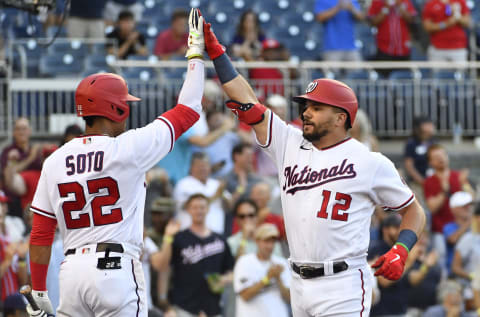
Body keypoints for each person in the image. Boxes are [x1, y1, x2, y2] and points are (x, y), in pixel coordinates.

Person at [201, 18, 425, 316]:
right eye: (306, 106)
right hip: (298, 283)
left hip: (343, 283)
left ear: (340, 117)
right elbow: (247, 101)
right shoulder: (290, 143)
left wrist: (401, 249)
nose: (306, 112)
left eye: (316, 108)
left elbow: (413, 210)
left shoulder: (369, 161)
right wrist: (217, 53)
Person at [26, 9, 206, 317]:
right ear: (116, 108)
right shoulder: (128, 147)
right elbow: (188, 109)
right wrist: (195, 53)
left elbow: (41, 231)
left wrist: (40, 289)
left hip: (71, 273)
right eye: (125, 102)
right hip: (115, 268)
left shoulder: (54, 159)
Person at [157, 193, 234, 317]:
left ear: (208, 209)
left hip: (213, 308)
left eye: (202, 207)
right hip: (184, 307)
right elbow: (163, 267)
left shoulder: (220, 239)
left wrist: (224, 279)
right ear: (188, 210)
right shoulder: (179, 238)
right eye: (195, 207)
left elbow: (231, 271)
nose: (199, 211)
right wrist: (164, 302)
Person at [234, 223, 291, 317]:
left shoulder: (281, 262)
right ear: (257, 241)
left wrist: (278, 279)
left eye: (273, 241)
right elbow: (245, 296)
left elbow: (289, 299)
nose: (270, 246)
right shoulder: (244, 262)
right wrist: (267, 278)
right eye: (266, 241)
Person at [173, 152, 227, 234]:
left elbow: (230, 206)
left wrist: (224, 194)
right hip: (189, 235)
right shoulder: (183, 184)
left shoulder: (216, 184)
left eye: (205, 165)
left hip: (216, 235)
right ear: (191, 167)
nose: (203, 168)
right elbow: (185, 206)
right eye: (199, 166)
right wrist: (215, 196)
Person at [368, 0, 417, 77]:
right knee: (384, 79)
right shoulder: (377, 1)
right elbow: (373, 22)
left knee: (403, 79)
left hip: (402, 49)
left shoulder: (405, 1)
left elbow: (411, 20)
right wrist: (386, 8)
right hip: (384, 48)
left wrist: (400, 6)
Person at [443, 191, 473, 274]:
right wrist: (470, 221)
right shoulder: (448, 227)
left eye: (469, 205)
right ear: (454, 209)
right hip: (454, 276)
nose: (468, 208)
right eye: (464, 206)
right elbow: (453, 239)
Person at [403, 116, 436, 187]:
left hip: (433, 181)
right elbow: (409, 166)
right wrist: (423, 182)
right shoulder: (411, 143)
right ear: (419, 127)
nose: (432, 126)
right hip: (417, 183)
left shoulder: (433, 142)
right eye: (428, 124)